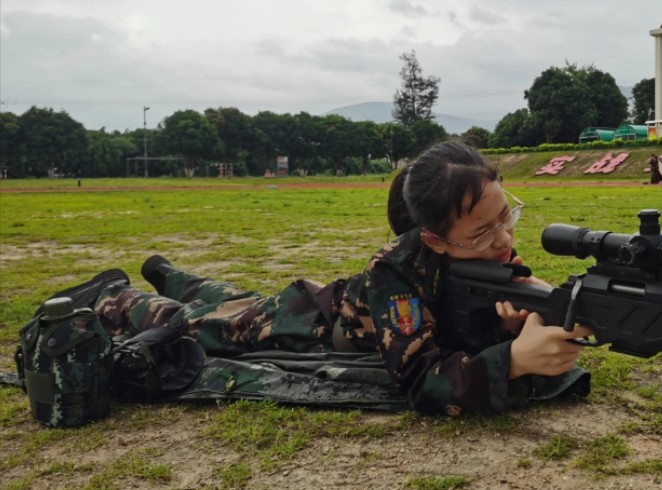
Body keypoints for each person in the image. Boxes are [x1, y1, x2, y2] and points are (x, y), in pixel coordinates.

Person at [48, 141, 595, 415]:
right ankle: (115, 294)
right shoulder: (394, 274)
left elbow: (492, 305)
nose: (504, 240)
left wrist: (508, 327)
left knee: (231, 298)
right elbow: (421, 380)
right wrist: (515, 361)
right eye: (482, 232)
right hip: (304, 320)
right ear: (432, 238)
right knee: (198, 323)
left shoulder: (492, 257)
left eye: (508, 216)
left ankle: (171, 273)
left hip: (318, 297)